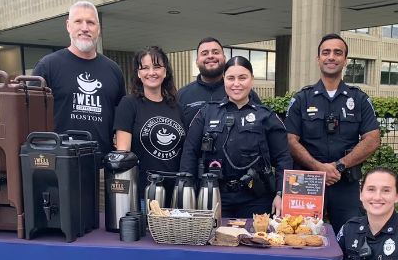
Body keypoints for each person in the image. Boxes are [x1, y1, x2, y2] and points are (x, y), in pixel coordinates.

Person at [285, 33, 381, 233]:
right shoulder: (302, 98)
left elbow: (372, 139)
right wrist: (319, 168)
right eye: (326, 52)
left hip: (344, 182)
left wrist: (338, 166)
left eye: (338, 53)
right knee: (299, 237)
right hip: (306, 183)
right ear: (318, 59)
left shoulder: (359, 99)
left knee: (349, 238)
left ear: (345, 60)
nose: (331, 57)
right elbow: (290, 140)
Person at [179, 56, 292, 218]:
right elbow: (189, 153)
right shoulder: (207, 113)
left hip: (256, 198)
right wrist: (187, 192)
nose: (236, 84)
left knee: (253, 241)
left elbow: (283, 159)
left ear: (252, 79)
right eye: (231, 78)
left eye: (242, 77)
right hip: (213, 196)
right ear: (224, 79)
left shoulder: (266, 116)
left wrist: (281, 194)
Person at [32, 0, 126, 155]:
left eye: (91, 22)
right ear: (68, 26)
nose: (85, 28)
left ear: (98, 28)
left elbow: (122, 120)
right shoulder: (48, 66)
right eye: (78, 21)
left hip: (101, 168)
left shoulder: (113, 70)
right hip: (60, 167)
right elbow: (30, 117)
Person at [113, 46, 186, 210]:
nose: (151, 72)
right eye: (145, 68)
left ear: (165, 72)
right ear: (138, 74)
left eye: (157, 67)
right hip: (143, 194)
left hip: (175, 194)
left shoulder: (177, 107)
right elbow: (123, 155)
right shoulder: (129, 104)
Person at [178, 37, 261, 129]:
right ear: (197, 62)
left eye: (216, 52)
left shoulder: (245, 94)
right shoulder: (182, 95)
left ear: (224, 58)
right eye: (204, 53)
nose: (210, 56)